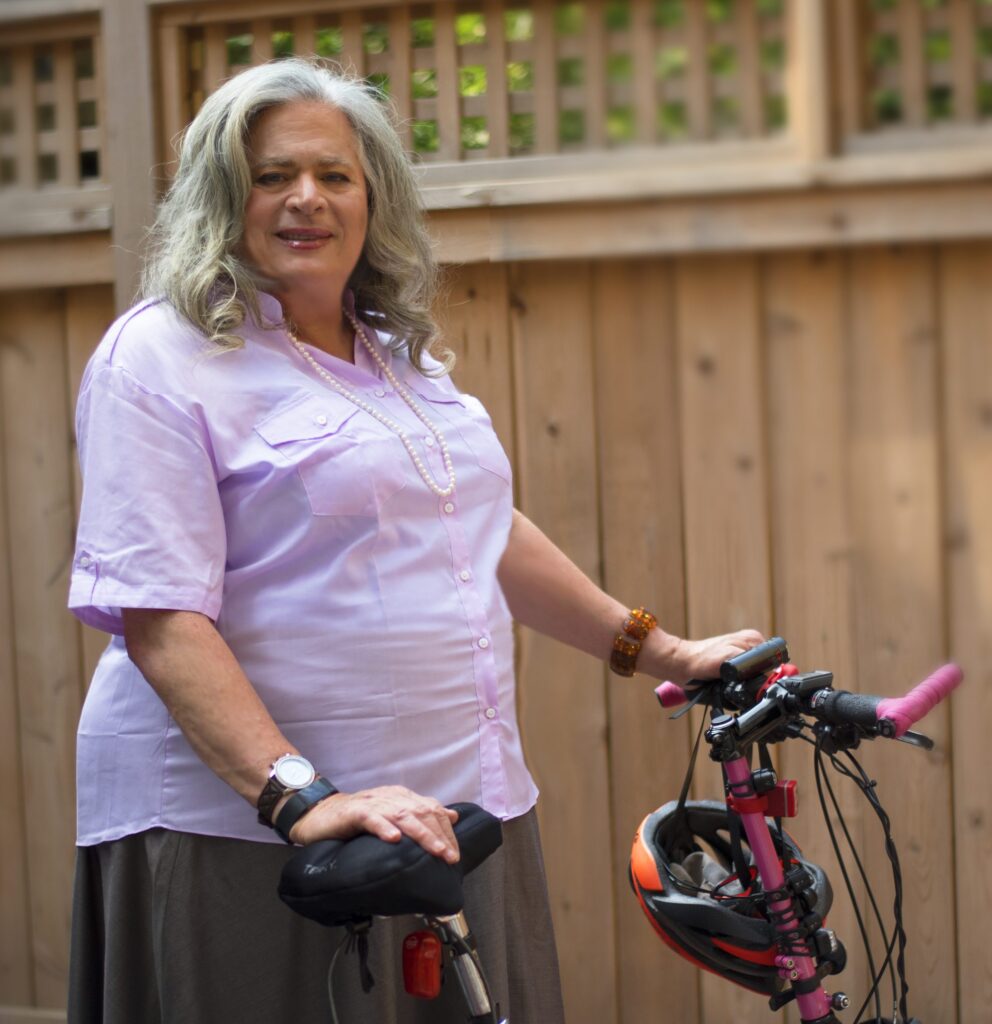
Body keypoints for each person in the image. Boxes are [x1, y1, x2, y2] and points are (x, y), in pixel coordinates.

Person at [67, 57, 763, 1024]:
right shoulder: (160, 356)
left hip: (455, 809)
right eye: (271, 176)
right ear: (222, 197)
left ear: (372, 197)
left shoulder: (397, 354)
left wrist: (660, 650)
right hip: (252, 828)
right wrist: (302, 799)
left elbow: (475, 524)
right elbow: (159, 612)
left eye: (334, 175)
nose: (305, 198)